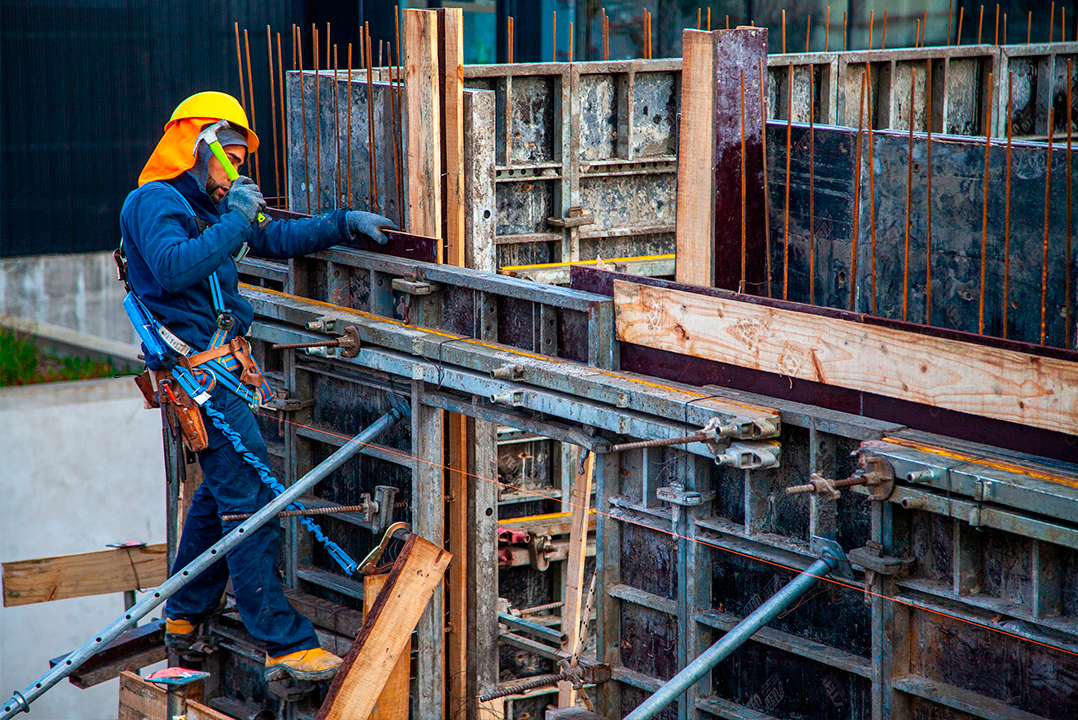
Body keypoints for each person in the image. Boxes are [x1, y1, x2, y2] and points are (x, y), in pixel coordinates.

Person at [119, 91, 394, 682]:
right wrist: (238, 217)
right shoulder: (153, 203)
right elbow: (172, 266)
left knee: (221, 496)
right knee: (251, 507)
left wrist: (343, 223)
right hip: (200, 378)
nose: (241, 169)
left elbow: (275, 237)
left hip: (219, 373)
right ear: (201, 145)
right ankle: (283, 640)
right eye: (234, 156)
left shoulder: (218, 205)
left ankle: (185, 615)